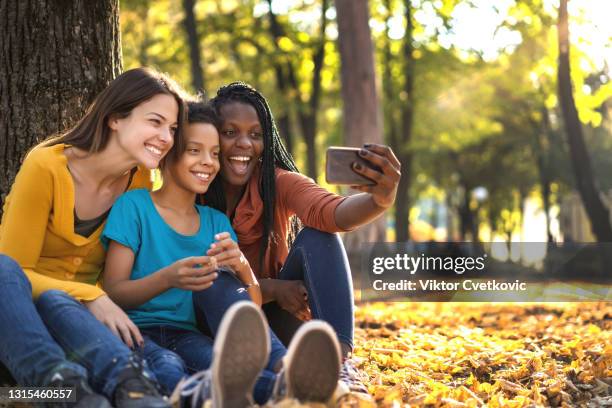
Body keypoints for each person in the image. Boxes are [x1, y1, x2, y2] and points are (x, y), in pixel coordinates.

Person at [97, 101, 342, 406]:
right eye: (194, 151)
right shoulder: (134, 206)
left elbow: (245, 307)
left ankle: (291, 380)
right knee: (169, 369)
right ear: (167, 153)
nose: (209, 162)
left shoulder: (215, 222)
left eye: (214, 153)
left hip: (188, 334)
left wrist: (241, 265)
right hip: (135, 332)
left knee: (223, 369)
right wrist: (168, 278)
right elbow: (114, 292)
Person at [0, 67, 186, 408]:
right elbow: (12, 273)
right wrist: (90, 296)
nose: (167, 137)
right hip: (22, 326)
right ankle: (62, 397)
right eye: (155, 122)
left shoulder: (140, 180)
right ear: (115, 118)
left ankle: (148, 396)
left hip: (82, 326)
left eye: (172, 128)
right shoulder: (46, 166)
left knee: (165, 363)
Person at [203, 82, 401, 397]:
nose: (244, 144)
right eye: (230, 133)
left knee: (319, 235)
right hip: (218, 322)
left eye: (256, 135)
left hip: (281, 318)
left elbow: (332, 212)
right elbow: (203, 282)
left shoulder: (276, 182)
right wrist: (271, 288)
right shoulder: (194, 189)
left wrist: (380, 200)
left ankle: (338, 365)